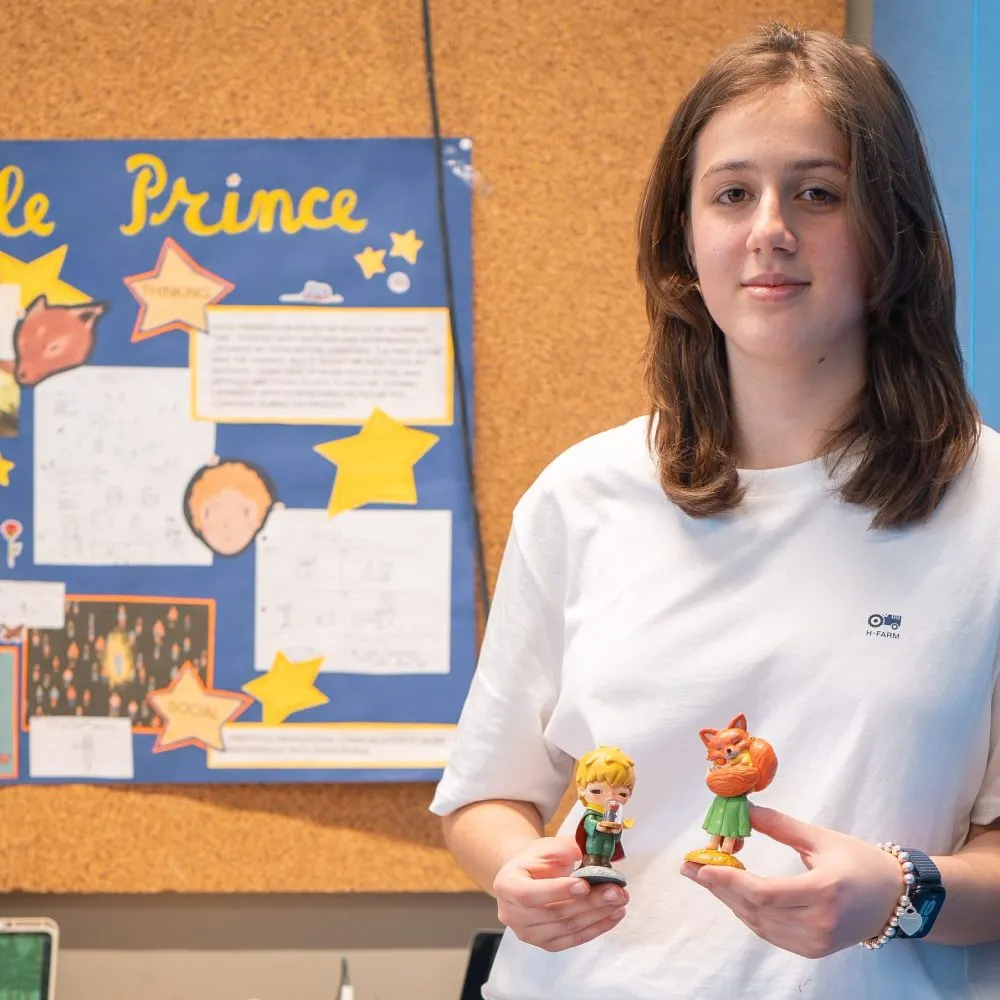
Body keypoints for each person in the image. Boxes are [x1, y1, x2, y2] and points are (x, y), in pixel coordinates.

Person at [428, 21, 1000, 1000]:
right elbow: (484, 797)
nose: (769, 228)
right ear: (685, 241)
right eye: (732, 194)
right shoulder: (582, 497)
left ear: (892, 232)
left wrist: (899, 892)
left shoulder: (983, 506)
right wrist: (518, 874)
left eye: (817, 193)